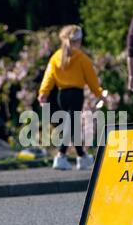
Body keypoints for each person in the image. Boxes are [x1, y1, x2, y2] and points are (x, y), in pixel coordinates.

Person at [38, 25, 106, 170]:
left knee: (72, 126)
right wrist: (99, 94)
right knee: (71, 125)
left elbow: (49, 76)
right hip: (76, 94)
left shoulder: (56, 57)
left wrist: (43, 92)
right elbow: (91, 79)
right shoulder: (82, 58)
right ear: (78, 40)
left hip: (61, 95)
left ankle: (82, 157)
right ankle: (60, 156)